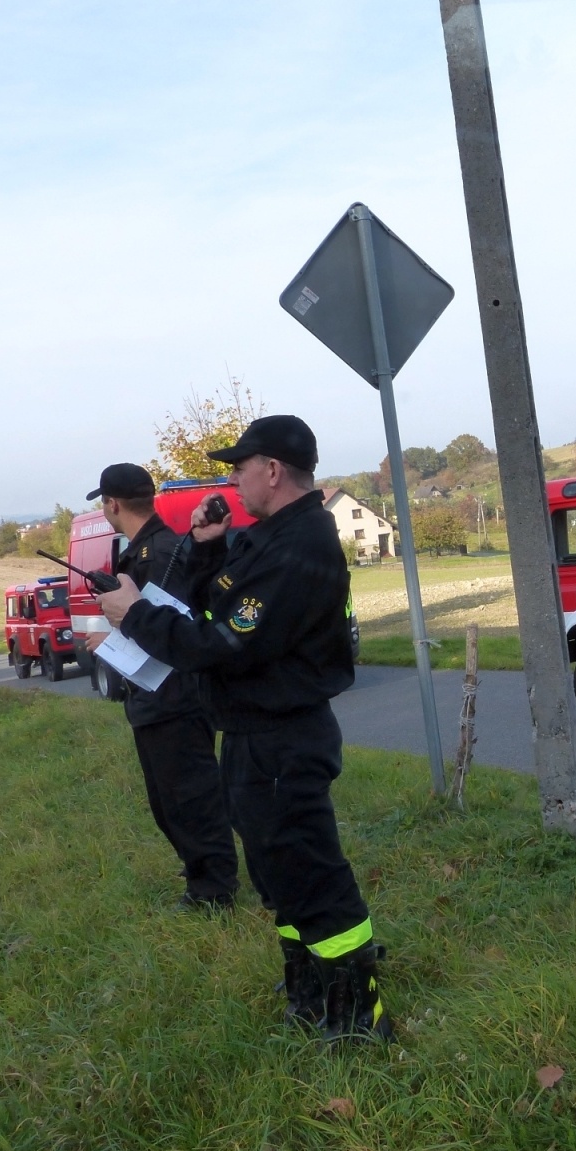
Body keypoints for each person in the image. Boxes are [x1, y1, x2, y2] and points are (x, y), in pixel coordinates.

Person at [96, 418, 391, 1043]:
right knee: (276, 870)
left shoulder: (300, 546)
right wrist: (205, 547)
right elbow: (224, 601)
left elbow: (224, 643)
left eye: (240, 466)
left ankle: (356, 1019)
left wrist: (136, 614)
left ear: (273, 470)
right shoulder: (270, 536)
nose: (232, 478)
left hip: (285, 736)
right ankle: (309, 995)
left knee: (311, 872)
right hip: (254, 735)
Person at [88, 463, 242, 912]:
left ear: (112, 504)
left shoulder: (160, 553)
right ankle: (202, 875)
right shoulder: (149, 549)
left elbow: (168, 625)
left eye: (103, 502)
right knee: (169, 802)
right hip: (156, 696)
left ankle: (214, 889)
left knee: (190, 798)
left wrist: (112, 640)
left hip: (174, 696)